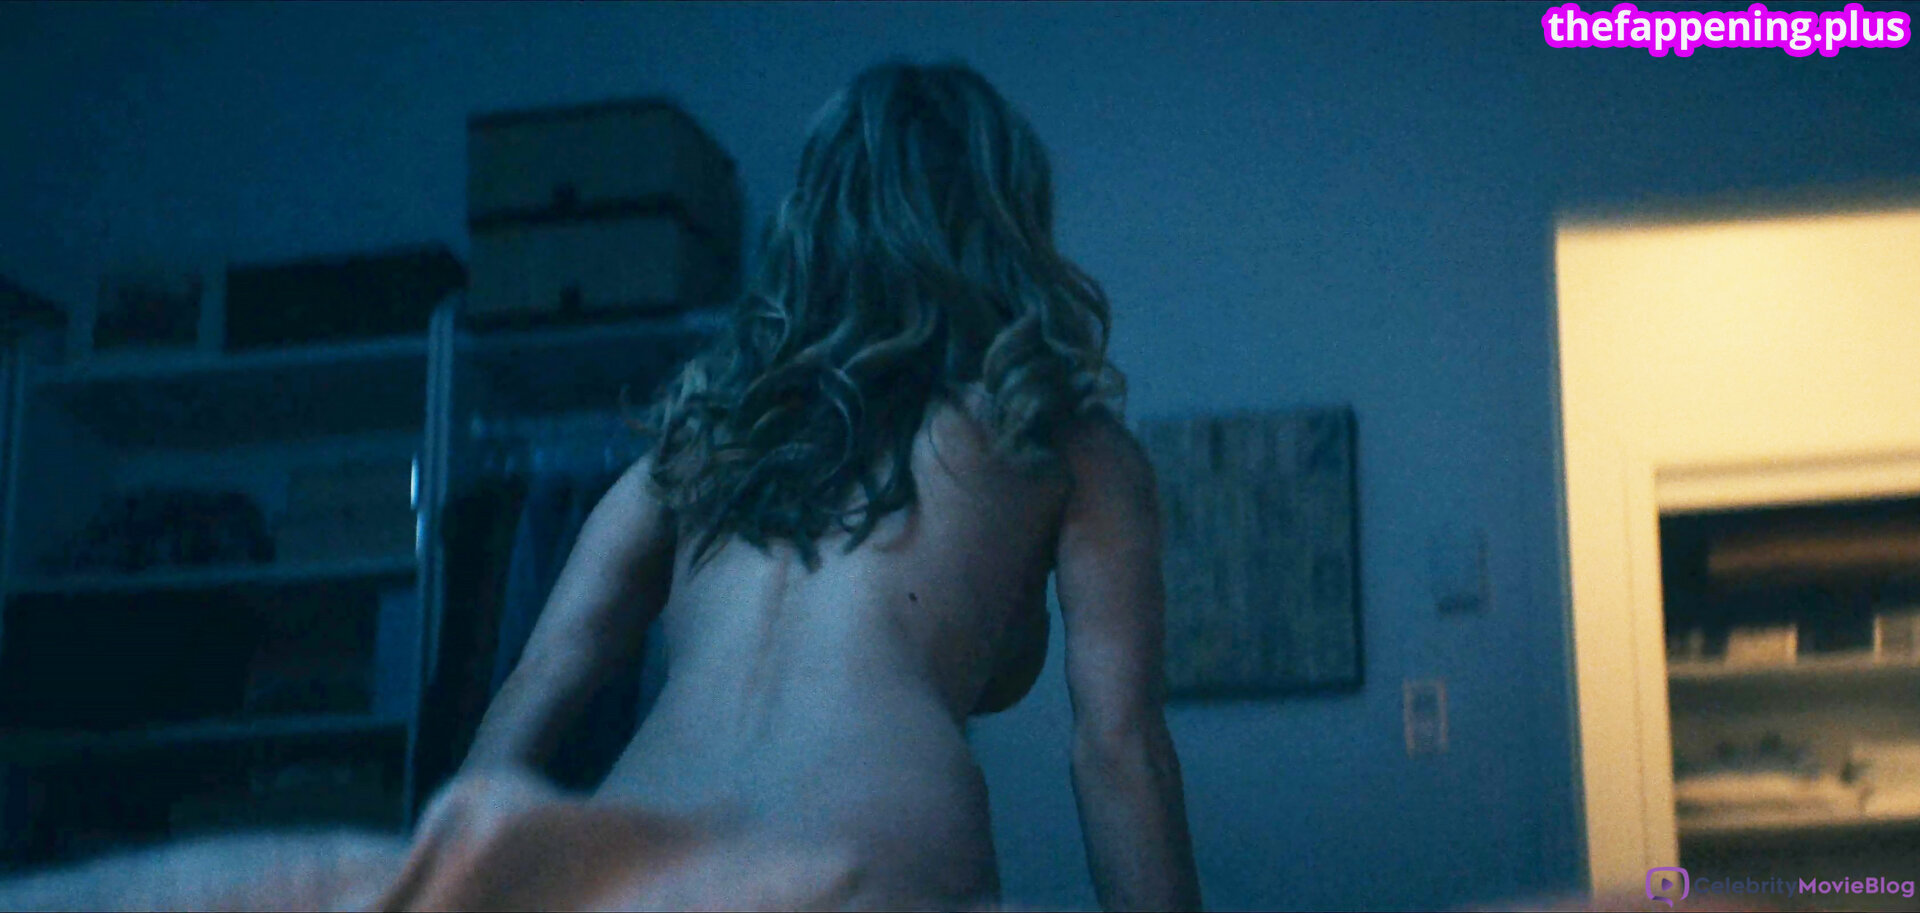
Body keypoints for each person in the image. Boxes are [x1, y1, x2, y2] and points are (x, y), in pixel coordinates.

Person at [0, 59, 1202, 912]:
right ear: (1006, 223)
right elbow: (1117, 749)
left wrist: (441, 887)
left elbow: (540, 684)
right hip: (866, 856)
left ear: (812, 225)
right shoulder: (1063, 434)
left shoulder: (697, 438)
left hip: (626, 860)